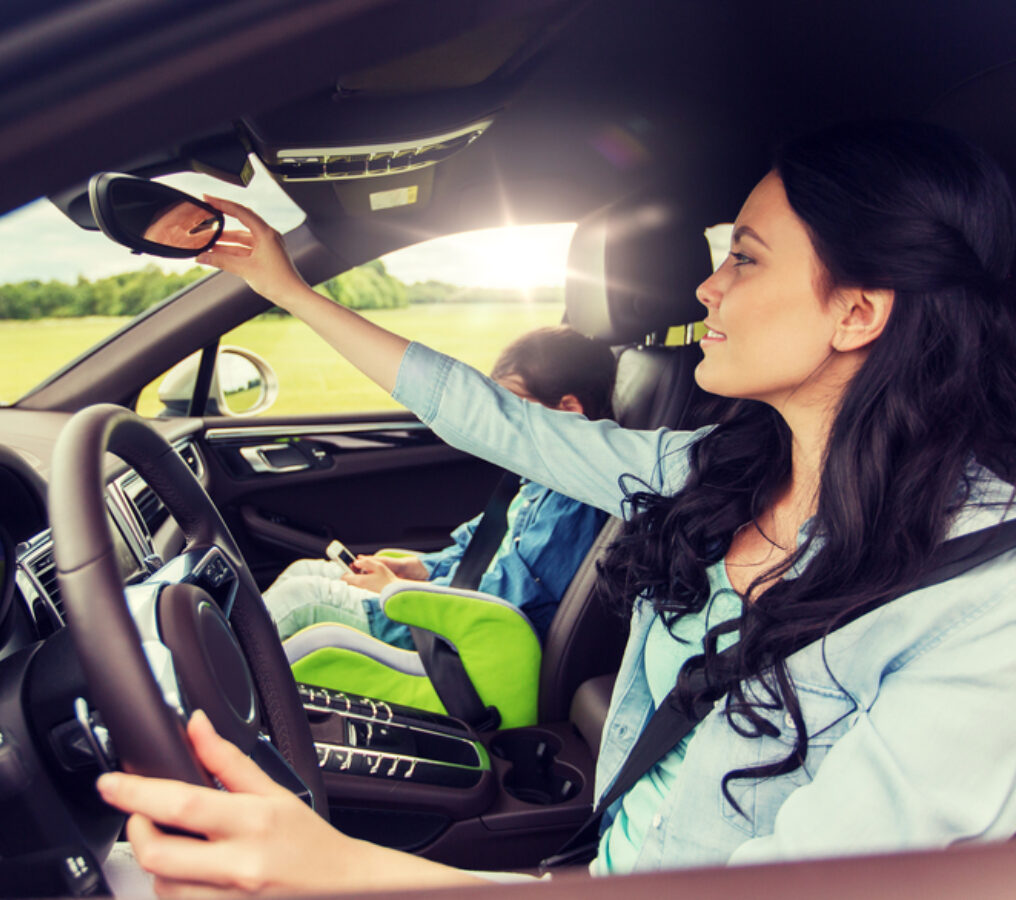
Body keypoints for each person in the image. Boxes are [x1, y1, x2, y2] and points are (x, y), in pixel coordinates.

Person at [95, 121, 1016, 893]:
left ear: (857, 312)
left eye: (744, 256)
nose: (707, 286)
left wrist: (344, 871)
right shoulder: (710, 469)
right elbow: (489, 419)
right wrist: (286, 288)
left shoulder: (985, 611)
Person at [261, 325, 613, 650]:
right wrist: (421, 568)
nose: (497, 423)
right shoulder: (536, 479)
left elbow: (504, 599)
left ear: (569, 409)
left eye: (511, 407)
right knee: (305, 571)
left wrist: (398, 591)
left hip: (466, 643)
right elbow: (476, 552)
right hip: (452, 611)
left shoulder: (572, 505)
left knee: (300, 600)